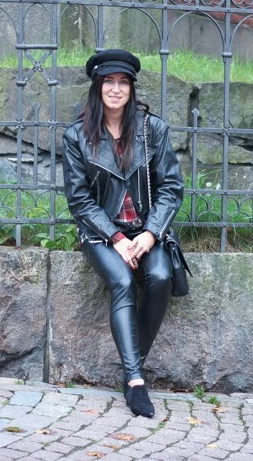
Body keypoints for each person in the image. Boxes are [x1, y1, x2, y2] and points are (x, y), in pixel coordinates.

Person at [62, 49, 184, 417]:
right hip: (101, 233)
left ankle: (133, 368)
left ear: (131, 88)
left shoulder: (152, 130)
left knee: (160, 276)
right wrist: (116, 239)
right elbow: (80, 201)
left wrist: (150, 234)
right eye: (109, 82)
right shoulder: (77, 136)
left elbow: (171, 188)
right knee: (123, 282)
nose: (116, 89)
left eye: (123, 82)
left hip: (147, 229)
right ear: (97, 87)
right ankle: (135, 382)